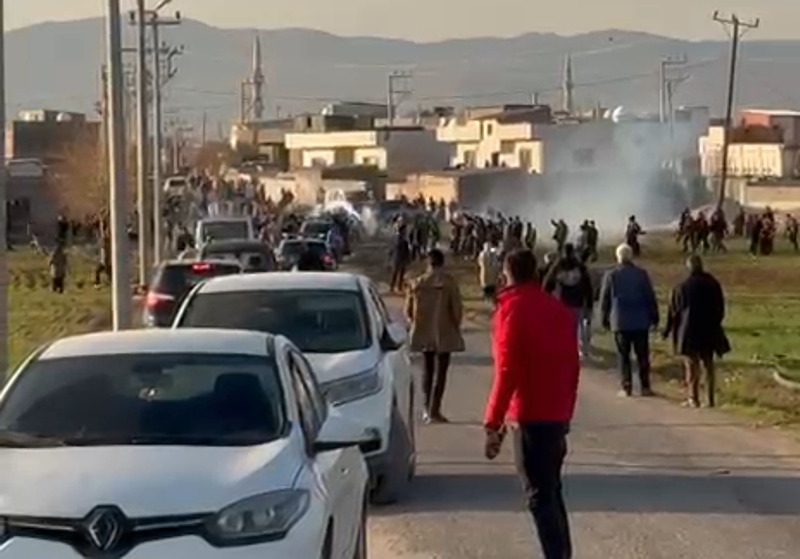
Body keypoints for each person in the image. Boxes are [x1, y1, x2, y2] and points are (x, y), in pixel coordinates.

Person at [484, 249, 579, 559]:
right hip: (556, 414)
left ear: (507, 274)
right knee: (552, 491)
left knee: (539, 496)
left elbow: (506, 371)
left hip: (529, 414)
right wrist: (567, 411)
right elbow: (572, 367)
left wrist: (492, 422)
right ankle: (562, 553)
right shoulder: (557, 310)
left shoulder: (511, 311)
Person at [405, 249, 465, 424]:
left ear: (428, 263)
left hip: (424, 331)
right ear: (442, 263)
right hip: (444, 331)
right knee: (441, 372)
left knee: (427, 369)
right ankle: (435, 409)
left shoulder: (417, 283)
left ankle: (425, 408)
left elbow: (408, 311)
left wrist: (416, 323)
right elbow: (456, 310)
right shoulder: (449, 283)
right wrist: (455, 326)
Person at [663, 255, 729, 408]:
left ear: (688, 267)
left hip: (688, 331)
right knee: (708, 365)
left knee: (691, 366)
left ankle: (694, 398)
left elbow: (674, 312)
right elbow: (720, 308)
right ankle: (710, 398)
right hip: (709, 329)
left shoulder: (681, 287)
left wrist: (667, 330)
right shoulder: (713, 284)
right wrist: (716, 322)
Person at [599, 244, 659, 397]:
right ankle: (645, 386)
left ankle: (627, 386)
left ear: (618, 257)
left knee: (623, 356)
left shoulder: (611, 275)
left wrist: (603, 318)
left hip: (620, 320)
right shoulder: (641, 274)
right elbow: (649, 296)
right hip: (640, 320)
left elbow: (605, 299)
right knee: (642, 355)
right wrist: (654, 316)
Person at [543, 243, 595, 360]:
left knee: (560, 328)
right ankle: (580, 352)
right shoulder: (580, 266)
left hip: (560, 301)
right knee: (578, 328)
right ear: (573, 252)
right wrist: (589, 303)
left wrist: (545, 298)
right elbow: (588, 286)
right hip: (577, 301)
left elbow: (548, 283)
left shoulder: (558, 266)